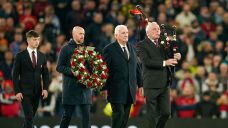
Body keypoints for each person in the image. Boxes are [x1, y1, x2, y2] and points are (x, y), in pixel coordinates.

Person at [136, 22, 181, 128]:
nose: (157, 31)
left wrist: (177, 55)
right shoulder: (142, 45)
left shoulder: (164, 43)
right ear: (147, 33)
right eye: (154, 29)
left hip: (165, 83)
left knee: (166, 113)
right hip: (151, 83)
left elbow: (172, 56)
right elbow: (146, 61)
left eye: (158, 29)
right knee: (152, 114)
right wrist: (165, 63)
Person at [102, 25, 143, 128]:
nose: (126, 34)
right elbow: (104, 69)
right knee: (118, 114)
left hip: (130, 89)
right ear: (116, 35)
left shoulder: (133, 48)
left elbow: (137, 68)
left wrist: (141, 84)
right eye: (123, 33)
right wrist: (103, 87)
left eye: (126, 32)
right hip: (116, 89)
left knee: (125, 117)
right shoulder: (109, 49)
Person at [12, 30, 49, 128]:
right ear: (28, 40)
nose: (37, 42)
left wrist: (45, 88)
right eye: (34, 40)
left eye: (38, 40)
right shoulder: (20, 56)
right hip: (24, 92)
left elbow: (45, 74)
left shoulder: (42, 56)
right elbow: (15, 75)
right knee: (29, 117)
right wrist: (17, 91)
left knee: (30, 117)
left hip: (37, 92)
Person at [56, 26, 92, 128]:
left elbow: (90, 68)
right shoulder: (65, 48)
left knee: (87, 116)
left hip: (84, 88)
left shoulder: (87, 49)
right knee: (68, 115)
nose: (82, 36)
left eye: (83, 34)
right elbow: (59, 67)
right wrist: (73, 72)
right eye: (80, 34)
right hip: (71, 87)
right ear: (74, 34)